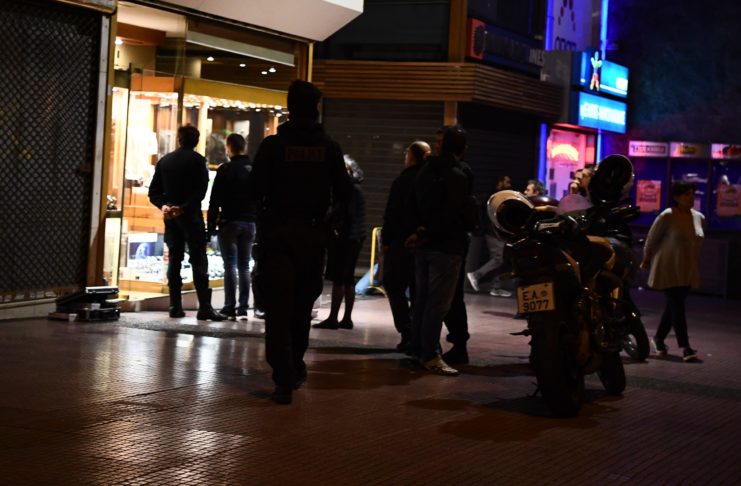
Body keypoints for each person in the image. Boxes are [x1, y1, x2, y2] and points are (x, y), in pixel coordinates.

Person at [246, 80, 352, 404]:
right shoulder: (329, 148)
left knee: (278, 309)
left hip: (277, 236)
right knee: (302, 307)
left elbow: (253, 191)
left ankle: (283, 377)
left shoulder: (273, 146)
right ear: (315, 109)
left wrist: (265, 221)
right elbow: (345, 195)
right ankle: (295, 365)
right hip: (312, 237)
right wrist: (330, 225)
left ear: (290, 108)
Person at [407, 125, 476, 376]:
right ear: (463, 148)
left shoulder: (425, 170)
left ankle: (417, 350)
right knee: (437, 304)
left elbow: (416, 204)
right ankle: (430, 354)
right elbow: (456, 213)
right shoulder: (457, 175)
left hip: (423, 244)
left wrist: (420, 232)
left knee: (422, 301)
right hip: (447, 246)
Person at [148, 125, 226, 321]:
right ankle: (204, 307)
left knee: (175, 259)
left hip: (171, 218)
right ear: (197, 141)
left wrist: (164, 206)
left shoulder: (165, 161)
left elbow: (153, 191)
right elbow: (201, 191)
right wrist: (183, 207)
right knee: (198, 260)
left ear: (179, 139)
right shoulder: (198, 161)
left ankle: (175, 306)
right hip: (191, 216)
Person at [640, 181, 704, 362]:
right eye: (686, 194)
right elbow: (652, 238)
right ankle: (685, 347)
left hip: (687, 268)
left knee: (674, 306)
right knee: (677, 306)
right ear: (676, 197)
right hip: (668, 266)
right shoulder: (667, 215)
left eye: (692, 194)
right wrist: (647, 258)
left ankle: (659, 339)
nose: (691, 197)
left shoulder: (699, 217)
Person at [381, 140, 431, 351]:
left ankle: (406, 330)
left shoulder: (403, 180)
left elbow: (392, 212)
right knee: (420, 290)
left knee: (393, 284)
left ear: (410, 157)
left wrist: (386, 240)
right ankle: (419, 334)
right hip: (425, 241)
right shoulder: (431, 180)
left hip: (401, 242)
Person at [313, 155, 367, 330]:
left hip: (345, 238)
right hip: (356, 237)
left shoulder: (347, 189)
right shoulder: (357, 187)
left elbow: (345, 215)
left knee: (339, 279)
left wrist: (333, 228)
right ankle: (346, 319)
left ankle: (333, 318)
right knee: (348, 278)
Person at [207, 133, 257, 320]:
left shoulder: (226, 169)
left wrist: (211, 225)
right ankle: (243, 307)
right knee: (244, 266)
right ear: (244, 147)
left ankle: (229, 307)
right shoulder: (254, 169)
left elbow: (214, 200)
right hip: (250, 223)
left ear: (229, 148)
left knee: (230, 265)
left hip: (229, 222)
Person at [466, 175, 513, 298]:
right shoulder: (496, 197)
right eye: (507, 182)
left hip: (497, 232)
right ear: (500, 183)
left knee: (499, 259)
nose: (509, 184)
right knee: (498, 258)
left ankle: (495, 287)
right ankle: (476, 275)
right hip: (493, 232)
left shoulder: (500, 196)